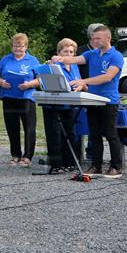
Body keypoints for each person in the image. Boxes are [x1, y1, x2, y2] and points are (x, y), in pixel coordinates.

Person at [52, 25, 124, 178]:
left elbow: (108, 77)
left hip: (108, 101)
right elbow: (75, 59)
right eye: (93, 38)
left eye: (98, 38)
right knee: (94, 134)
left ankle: (116, 167)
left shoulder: (116, 56)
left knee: (111, 134)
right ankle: (96, 166)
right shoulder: (92, 54)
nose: (95, 41)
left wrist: (84, 80)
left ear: (108, 38)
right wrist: (60, 58)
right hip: (92, 100)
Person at [0, 33, 40, 167]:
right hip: (9, 97)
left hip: (26, 97)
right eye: (15, 46)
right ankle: (15, 154)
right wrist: (1, 82)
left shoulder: (32, 60)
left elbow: (40, 79)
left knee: (29, 127)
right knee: (12, 127)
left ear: (26, 46)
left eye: (20, 46)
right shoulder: (6, 59)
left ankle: (27, 156)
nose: (18, 49)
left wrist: (29, 84)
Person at [42, 38, 83, 173]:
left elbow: (78, 81)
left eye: (71, 52)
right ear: (59, 52)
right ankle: (56, 164)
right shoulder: (53, 65)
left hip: (70, 104)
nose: (68, 54)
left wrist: (79, 85)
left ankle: (70, 162)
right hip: (54, 105)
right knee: (55, 134)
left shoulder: (75, 66)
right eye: (65, 51)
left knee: (71, 134)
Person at [76, 23, 103, 161]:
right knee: (81, 123)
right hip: (81, 91)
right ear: (92, 36)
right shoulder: (80, 51)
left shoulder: (105, 52)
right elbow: (74, 71)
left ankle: (92, 154)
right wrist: (83, 84)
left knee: (96, 125)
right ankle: (77, 154)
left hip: (99, 93)